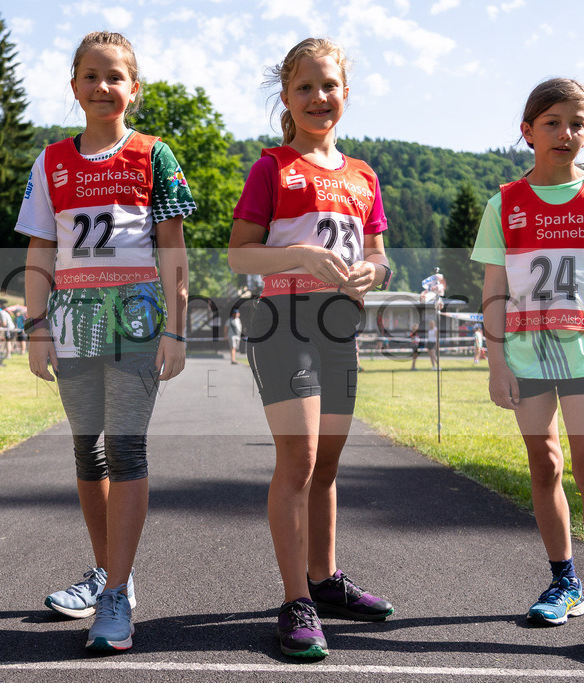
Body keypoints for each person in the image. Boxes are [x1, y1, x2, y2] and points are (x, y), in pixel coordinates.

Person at [18, 31, 193, 653]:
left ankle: (116, 593)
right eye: (91, 76)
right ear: (74, 87)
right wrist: (34, 324)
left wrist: (177, 326)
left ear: (134, 89)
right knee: (86, 452)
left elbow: (172, 247)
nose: (103, 87)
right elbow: (41, 248)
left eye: (115, 76)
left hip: (137, 319)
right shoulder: (51, 161)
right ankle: (107, 572)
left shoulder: (154, 155)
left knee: (125, 448)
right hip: (71, 319)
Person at [471, 78, 584, 666]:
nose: (564, 133)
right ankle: (564, 582)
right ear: (527, 131)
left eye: (576, 123)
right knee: (544, 462)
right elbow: (494, 291)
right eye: (551, 122)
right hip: (525, 355)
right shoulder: (505, 204)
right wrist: (496, 362)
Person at [228, 37, 395, 659]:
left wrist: (371, 274)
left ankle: (325, 581)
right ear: (287, 98)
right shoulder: (273, 168)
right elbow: (238, 252)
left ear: (345, 94)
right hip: (282, 322)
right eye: (305, 88)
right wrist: (297, 255)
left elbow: (377, 255)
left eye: (329, 86)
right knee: (297, 464)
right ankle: (295, 600)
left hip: (338, 326)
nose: (319, 97)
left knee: (326, 466)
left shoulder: (363, 175)